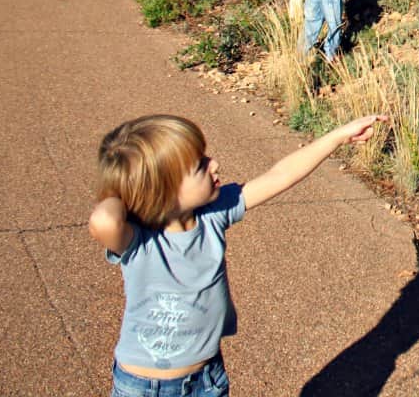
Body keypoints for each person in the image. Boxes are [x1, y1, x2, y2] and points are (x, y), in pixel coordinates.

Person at [89, 112, 385, 397]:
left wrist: (337, 137)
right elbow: (104, 220)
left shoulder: (213, 215)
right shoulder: (138, 242)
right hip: (142, 387)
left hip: (207, 377)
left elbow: (280, 176)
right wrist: (127, 189)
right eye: (200, 166)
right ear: (162, 190)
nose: (214, 164)